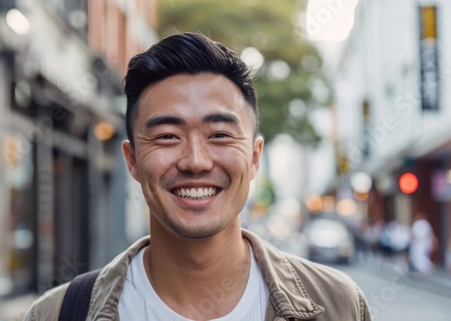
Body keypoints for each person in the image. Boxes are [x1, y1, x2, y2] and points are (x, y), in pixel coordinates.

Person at [24, 33, 372, 320]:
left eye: (219, 134)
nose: (195, 161)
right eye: (167, 137)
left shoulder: (337, 306)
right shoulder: (58, 314)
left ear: (254, 158)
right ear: (132, 160)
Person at [409, 212, 436, 276]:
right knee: (421, 256)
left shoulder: (419, 224)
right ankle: (423, 269)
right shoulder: (425, 224)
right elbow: (431, 234)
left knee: (419, 256)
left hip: (420, 243)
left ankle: (425, 268)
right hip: (424, 243)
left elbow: (413, 235)